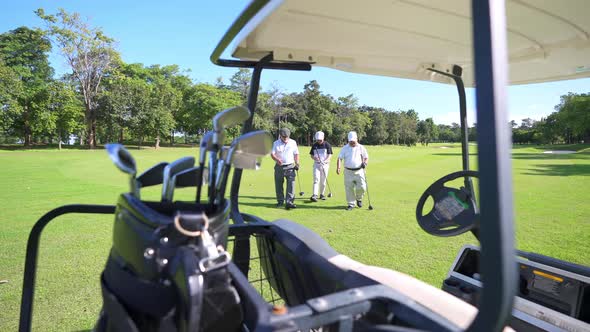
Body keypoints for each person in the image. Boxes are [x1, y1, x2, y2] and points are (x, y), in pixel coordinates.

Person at [336, 131, 369, 210]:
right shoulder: (345, 148)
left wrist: (365, 163)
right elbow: (339, 158)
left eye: (353, 141)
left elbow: (366, 157)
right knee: (349, 188)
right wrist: (338, 167)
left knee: (362, 187)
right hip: (348, 171)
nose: (352, 143)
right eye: (350, 141)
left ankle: (359, 198)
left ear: (357, 139)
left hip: (359, 170)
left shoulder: (361, 147)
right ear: (348, 140)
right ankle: (351, 204)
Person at [271, 128, 300, 209]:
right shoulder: (275, 143)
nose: (285, 139)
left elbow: (296, 154)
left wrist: (297, 163)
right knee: (279, 185)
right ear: (280, 136)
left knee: (291, 185)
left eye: (287, 137)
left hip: (290, 166)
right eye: (284, 137)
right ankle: (280, 201)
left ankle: (289, 202)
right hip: (279, 167)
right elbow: (272, 154)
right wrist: (277, 159)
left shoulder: (293, 142)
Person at [309, 131, 333, 202]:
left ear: (323, 138)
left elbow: (330, 155)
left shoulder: (327, 145)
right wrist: (315, 158)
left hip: (325, 165)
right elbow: (311, 155)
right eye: (318, 140)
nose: (319, 141)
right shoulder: (314, 145)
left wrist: (325, 161)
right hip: (316, 164)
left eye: (320, 140)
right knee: (316, 179)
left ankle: (322, 194)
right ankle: (314, 195)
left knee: (323, 181)